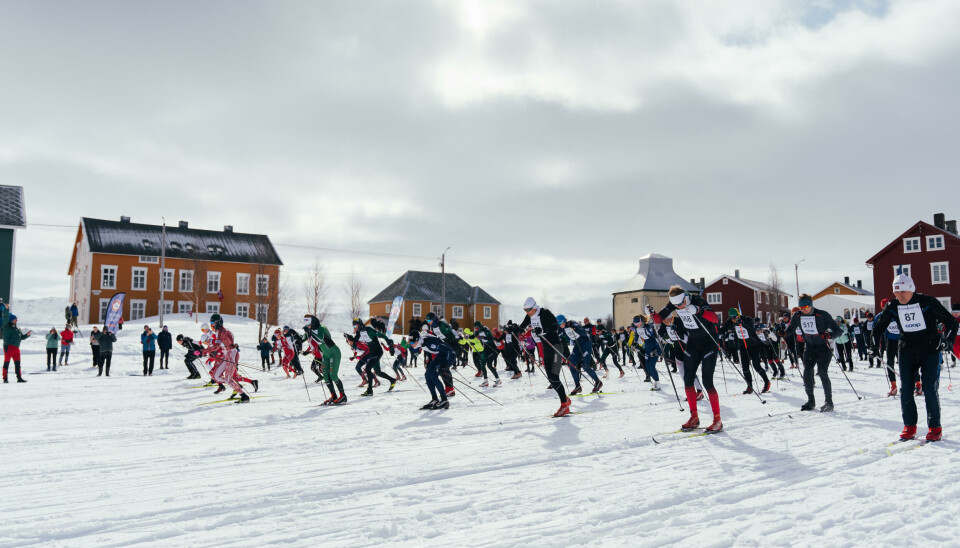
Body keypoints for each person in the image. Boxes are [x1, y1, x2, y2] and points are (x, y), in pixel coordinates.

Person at [872, 274, 959, 442]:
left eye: (903, 291)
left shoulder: (927, 302)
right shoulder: (892, 305)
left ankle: (935, 428)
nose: (900, 295)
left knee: (929, 388)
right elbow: (878, 327)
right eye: (896, 292)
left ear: (911, 289)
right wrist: (873, 346)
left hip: (930, 350)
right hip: (907, 350)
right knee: (906, 389)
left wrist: (949, 341)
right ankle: (909, 426)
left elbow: (951, 322)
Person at [652, 286, 723, 432]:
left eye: (681, 304)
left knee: (707, 382)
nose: (679, 307)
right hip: (693, 344)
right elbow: (659, 319)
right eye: (676, 305)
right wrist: (652, 313)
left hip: (709, 343)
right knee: (688, 380)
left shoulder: (698, 301)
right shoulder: (674, 303)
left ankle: (717, 420)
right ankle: (694, 417)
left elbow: (715, 319)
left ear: (685, 297)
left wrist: (698, 311)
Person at [786, 294, 843, 412]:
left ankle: (829, 402)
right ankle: (811, 401)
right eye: (801, 307)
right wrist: (783, 332)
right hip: (810, 348)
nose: (803, 310)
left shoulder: (822, 315)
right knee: (807, 372)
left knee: (822, 372)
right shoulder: (797, 316)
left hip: (824, 348)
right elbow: (791, 328)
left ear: (811, 305)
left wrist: (830, 335)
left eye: (805, 307)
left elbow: (838, 330)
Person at [518, 297, 571, 417]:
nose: (527, 312)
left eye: (528, 310)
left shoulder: (545, 313)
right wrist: (514, 328)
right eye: (525, 310)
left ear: (534, 307)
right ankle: (565, 399)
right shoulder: (530, 315)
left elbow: (555, 327)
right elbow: (522, 327)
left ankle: (564, 405)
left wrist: (542, 330)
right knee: (550, 379)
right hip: (546, 347)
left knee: (554, 377)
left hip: (555, 346)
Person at [720, 309, 771, 394]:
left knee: (756, 366)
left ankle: (766, 382)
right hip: (743, 346)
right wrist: (715, 330)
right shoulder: (729, 322)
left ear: (738, 315)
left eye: (735, 317)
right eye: (731, 318)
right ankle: (749, 386)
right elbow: (722, 330)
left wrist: (742, 324)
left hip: (754, 345)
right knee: (745, 368)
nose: (733, 319)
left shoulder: (747, 319)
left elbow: (752, 330)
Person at [203, 313, 250, 403]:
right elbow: (220, 346)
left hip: (231, 354)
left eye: (212, 323)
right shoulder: (219, 332)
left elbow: (217, 345)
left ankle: (244, 396)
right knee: (216, 376)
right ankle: (234, 385)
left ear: (218, 322)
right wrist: (214, 353)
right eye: (211, 323)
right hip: (226, 354)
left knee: (228, 380)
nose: (211, 325)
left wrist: (204, 351)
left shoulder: (224, 332)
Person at [303, 315, 345, 405]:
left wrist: (310, 332)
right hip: (326, 355)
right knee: (325, 375)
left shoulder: (321, 328)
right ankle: (333, 396)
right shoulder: (311, 330)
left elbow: (321, 339)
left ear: (313, 322)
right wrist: (293, 335)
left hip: (334, 352)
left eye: (309, 323)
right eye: (306, 323)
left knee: (333, 375)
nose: (308, 326)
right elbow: (302, 339)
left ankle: (343, 396)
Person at [351, 317, 397, 396]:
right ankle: (392, 380)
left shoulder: (369, 330)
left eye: (355, 326)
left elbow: (381, 335)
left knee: (368, 368)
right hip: (372, 353)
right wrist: (349, 337)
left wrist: (388, 342)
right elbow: (355, 341)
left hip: (378, 352)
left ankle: (369, 391)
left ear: (360, 325)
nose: (354, 328)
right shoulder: (359, 333)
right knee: (378, 372)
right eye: (353, 326)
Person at [557, 315, 602, 394]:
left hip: (585, 344)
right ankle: (577, 386)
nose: (560, 325)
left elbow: (583, 332)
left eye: (560, 323)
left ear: (564, 321)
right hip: (577, 346)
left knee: (585, 366)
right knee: (572, 365)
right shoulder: (562, 329)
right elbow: (559, 336)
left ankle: (598, 382)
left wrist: (575, 328)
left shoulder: (571, 323)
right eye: (558, 324)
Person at [409, 330, 452, 409]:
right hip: (440, 356)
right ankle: (435, 399)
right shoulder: (422, 343)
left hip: (449, 355)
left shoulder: (429, 343)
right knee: (427, 375)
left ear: (418, 340)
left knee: (433, 375)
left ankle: (444, 400)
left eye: (412, 342)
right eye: (410, 342)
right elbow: (428, 351)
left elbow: (447, 350)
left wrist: (445, 365)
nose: (411, 344)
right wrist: (429, 363)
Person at [630, 314, 662, 390]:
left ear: (641, 321)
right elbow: (636, 336)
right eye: (634, 322)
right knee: (647, 367)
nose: (636, 324)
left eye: (637, 322)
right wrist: (635, 343)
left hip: (654, 348)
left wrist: (654, 329)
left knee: (651, 366)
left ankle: (658, 384)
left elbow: (656, 337)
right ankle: (656, 381)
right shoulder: (637, 328)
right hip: (647, 348)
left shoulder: (647, 327)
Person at [2, 305, 31, 383]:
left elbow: (21, 337)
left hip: (16, 348)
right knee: (6, 362)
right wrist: (7, 309)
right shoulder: (6, 326)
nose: (17, 320)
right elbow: (5, 318)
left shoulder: (18, 328)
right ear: (11, 320)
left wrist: (27, 335)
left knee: (18, 363)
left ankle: (19, 378)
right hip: (9, 347)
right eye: (15, 319)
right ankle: (5, 378)